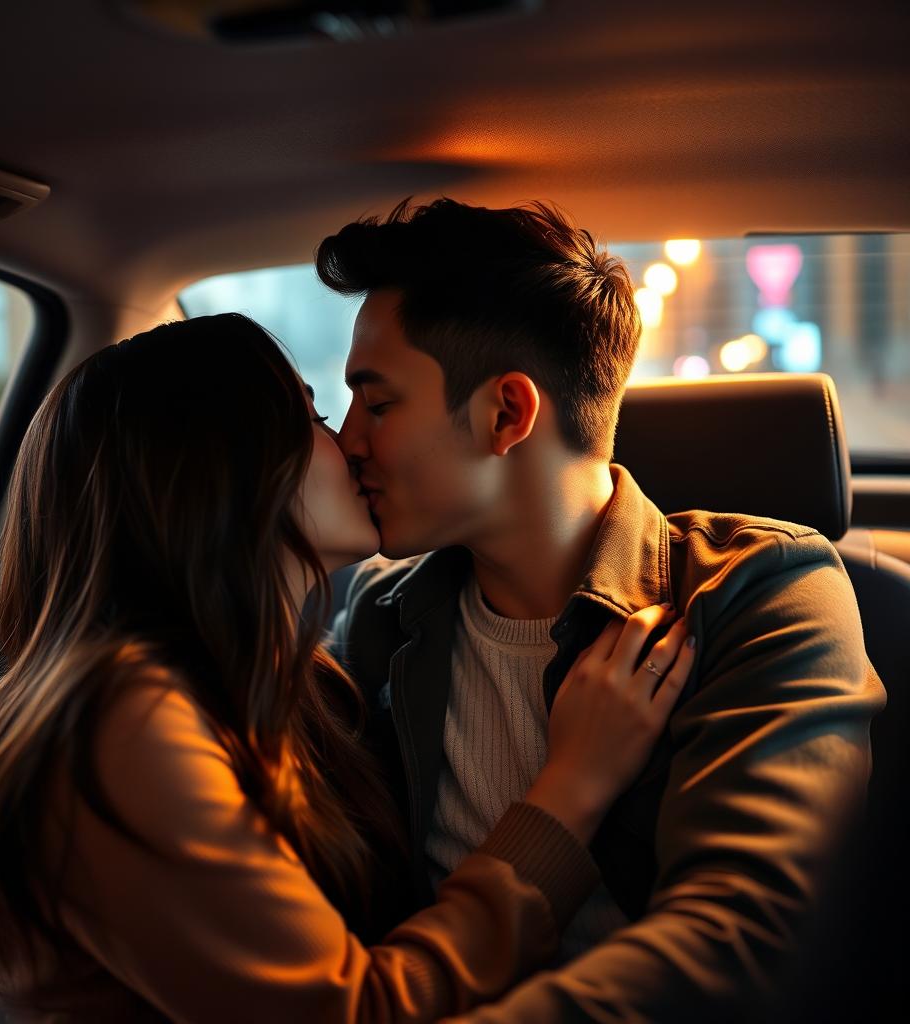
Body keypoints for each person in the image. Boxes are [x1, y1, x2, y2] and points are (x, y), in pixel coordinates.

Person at [0, 313, 694, 1022]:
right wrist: (572, 789)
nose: (352, 443)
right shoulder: (116, 724)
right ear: (218, 472)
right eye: (314, 417)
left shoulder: (302, 687)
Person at [319, 198, 886, 1022]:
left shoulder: (758, 596)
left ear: (507, 413)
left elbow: (739, 947)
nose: (346, 440)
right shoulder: (381, 618)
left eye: (376, 405)